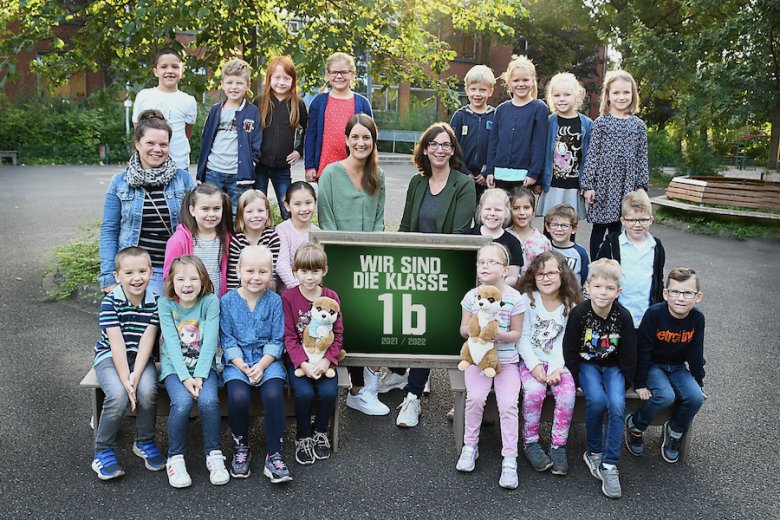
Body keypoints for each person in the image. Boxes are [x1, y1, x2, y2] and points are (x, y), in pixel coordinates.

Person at [394, 122, 477, 427]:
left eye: (446, 145)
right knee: (419, 334)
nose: (440, 150)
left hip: (449, 271)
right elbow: (405, 227)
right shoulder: (418, 183)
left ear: (453, 150)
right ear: (425, 149)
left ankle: (464, 397)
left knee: (439, 332)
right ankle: (413, 397)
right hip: (416, 269)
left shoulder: (464, 184)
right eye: (434, 144)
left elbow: (458, 235)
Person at [317, 113, 388, 415]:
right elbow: (326, 218)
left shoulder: (378, 176)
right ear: (346, 139)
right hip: (338, 260)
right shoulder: (331, 174)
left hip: (369, 260)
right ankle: (351, 386)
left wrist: (370, 256)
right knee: (341, 321)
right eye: (355, 136)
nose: (361, 142)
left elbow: (379, 220)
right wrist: (342, 258)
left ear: (373, 142)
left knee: (373, 319)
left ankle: (368, 387)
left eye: (366, 137)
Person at [563, 258, 637, 499]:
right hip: (588, 365)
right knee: (596, 400)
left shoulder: (623, 316)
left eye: (609, 288)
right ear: (587, 287)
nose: (602, 292)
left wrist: (626, 380)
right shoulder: (580, 313)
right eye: (598, 286)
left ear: (618, 292)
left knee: (616, 404)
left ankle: (610, 464)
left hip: (614, 366)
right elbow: (571, 347)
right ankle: (593, 451)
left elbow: (628, 351)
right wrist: (574, 378)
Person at [99, 109, 194, 296]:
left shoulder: (183, 180)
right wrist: (109, 278)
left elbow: (195, 229)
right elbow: (109, 230)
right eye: (150, 143)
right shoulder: (120, 182)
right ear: (137, 144)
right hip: (134, 270)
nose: (157, 149)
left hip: (173, 269)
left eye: (163, 145)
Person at [91, 247, 164, 480]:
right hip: (110, 357)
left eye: (142, 271)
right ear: (117, 276)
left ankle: (144, 441)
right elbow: (117, 344)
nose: (136, 278)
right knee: (118, 395)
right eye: (129, 273)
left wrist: (136, 375)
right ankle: (103, 451)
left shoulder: (155, 302)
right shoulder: (110, 303)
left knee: (147, 391)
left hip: (141, 358)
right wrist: (125, 380)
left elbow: (147, 342)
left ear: (151, 272)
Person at [455, 243, 524, 489]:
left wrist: (500, 336)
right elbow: (463, 329)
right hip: (477, 359)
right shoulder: (471, 297)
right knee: (475, 398)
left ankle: (509, 459)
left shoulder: (515, 298)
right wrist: (475, 329)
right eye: (481, 261)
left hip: (506, 362)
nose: (485, 266)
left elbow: (516, 333)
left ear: (505, 270)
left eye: (492, 262)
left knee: (508, 405)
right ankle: (470, 446)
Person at [220, 246, 291, 483]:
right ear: (238, 270)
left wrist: (261, 365)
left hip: (267, 360)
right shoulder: (227, 301)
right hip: (238, 362)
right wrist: (242, 366)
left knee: (272, 394)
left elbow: (277, 339)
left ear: (271, 274)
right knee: (238, 396)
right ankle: (241, 446)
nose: (256, 277)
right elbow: (228, 340)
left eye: (262, 272)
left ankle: (275, 453)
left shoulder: (275, 301)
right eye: (249, 271)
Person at [157, 255, 227, 488]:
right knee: (182, 403)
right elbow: (172, 346)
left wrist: (199, 375)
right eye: (181, 279)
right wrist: (186, 378)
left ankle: (214, 455)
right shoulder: (166, 304)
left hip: (204, 368)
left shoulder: (210, 302)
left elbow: (209, 343)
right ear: (171, 282)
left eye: (194, 278)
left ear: (203, 280)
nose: (188, 284)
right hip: (175, 369)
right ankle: (175, 458)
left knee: (208, 401)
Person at [625, 267, 705, 464]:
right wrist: (640, 382)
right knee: (665, 396)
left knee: (695, 398)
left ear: (698, 297)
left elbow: (696, 354)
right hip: (653, 364)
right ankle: (636, 425)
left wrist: (699, 382)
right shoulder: (654, 314)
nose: (681, 298)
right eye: (675, 292)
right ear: (665, 294)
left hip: (677, 366)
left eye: (688, 293)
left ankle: (675, 432)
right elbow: (643, 350)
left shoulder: (697, 318)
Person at [517, 251, 582, 476]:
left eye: (552, 272)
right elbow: (522, 337)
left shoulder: (570, 304)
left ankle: (558, 445)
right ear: (533, 276)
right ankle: (531, 442)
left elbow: (567, 340)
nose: (546, 277)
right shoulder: (527, 300)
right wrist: (534, 366)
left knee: (567, 394)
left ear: (562, 274)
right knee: (534, 392)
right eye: (540, 273)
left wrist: (556, 368)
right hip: (530, 362)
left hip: (558, 363)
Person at [282, 244, 344, 466]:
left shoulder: (331, 297)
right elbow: (289, 337)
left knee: (328, 392)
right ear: (295, 271)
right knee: (304, 393)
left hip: (325, 360)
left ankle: (320, 431)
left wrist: (328, 360)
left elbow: (338, 334)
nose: (309, 277)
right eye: (304, 271)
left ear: (324, 271)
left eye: (315, 271)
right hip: (299, 360)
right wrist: (303, 363)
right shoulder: (288, 297)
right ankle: (303, 436)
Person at [581, 70, 648, 259]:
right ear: (608, 96)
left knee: (619, 228)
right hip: (604, 183)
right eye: (616, 93)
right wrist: (588, 186)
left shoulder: (638, 125)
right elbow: (592, 155)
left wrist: (641, 186)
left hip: (627, 185)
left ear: (633, 95)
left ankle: (616, 268)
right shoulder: (601, 123)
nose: (621, 97)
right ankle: (595, 267)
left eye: (626, 92)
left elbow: (642, 157)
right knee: (599, 228)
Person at [197, 58, 262, 211]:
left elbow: (256, 143)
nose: (234, 87)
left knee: (236, 213)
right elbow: (206, 139)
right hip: (214, 171)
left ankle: (234, 236)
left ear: (247, 85)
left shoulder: (252, 111)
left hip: (239, 176)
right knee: (212, 210)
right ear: (223, 85)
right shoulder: (215, 110)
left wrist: (251, 164)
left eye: (239, 83)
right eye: (230, 82)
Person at [596, 190, 665, 329]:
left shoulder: (656, 247)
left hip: (646, 318)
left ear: (651, 220)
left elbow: (658, 279)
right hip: (615, 318)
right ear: (623, 220)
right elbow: (598, 280)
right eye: (632, 220)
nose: (637, 225)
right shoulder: (611, 245)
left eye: (643, 220)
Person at [304, 52, 372, 182]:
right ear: (327, 75)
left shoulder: (362, 104)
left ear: (352, 74)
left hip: (354, 171)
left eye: (344, 72)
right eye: (334, 72)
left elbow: (371, 139)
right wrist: (310, 166)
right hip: (324, 170)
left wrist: (369, 167)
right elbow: (311, 136)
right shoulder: (319, 102)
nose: (339, 76)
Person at [484, 56, 548, 192]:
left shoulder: (539, 108)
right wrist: (490, 170)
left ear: (532, 81)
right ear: (509, 83)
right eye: (516, 80)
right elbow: (493, 142)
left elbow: (539, 144)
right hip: (500, 174)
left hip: (524, 177)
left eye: (525, 80)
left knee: (521, 212)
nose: (521, 84)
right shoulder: (501, 109)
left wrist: (533, 172)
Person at [255, 56, 308, 220]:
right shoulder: (260, 102)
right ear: (269, 79)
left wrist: (299, 151)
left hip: (282, 168)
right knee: (257, 207)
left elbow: (308, 130)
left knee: (287, 209)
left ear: (293, 80)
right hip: (259, 167)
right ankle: (258, 241)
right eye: (277, 78)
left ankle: (290, 240)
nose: (281, 82)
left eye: (286, 78)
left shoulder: (297, 104)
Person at [537, 72, 592, 220]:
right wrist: (538, 180)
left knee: (570, 224)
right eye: (557, 95)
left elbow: (590, 158)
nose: (561, 99)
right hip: (552, 184)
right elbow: (541, 153)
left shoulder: (587, 124)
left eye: (567, 95)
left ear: (577, 96)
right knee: (551, 222)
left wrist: (587, 184)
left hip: (574, 185)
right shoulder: (548, 122)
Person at [132, 48, 197, 170]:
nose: (170, 71)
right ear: (156, 71)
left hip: (178, 164)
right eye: (164, 67)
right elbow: (138, 128)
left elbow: (187, 132)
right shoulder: (144, 96)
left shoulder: (188, 100)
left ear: (182, 70)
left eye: (175, 67)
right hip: (150, 165)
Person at [164, 184, 232, 296]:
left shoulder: (225, 237)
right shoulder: (179, 240)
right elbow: (169, 276)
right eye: (205, 209)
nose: (211, 214)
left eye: (217, 208)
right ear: (192, 210)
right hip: (189, 301)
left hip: (217, 298)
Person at [450, 64, 496, 201]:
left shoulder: (496, 116)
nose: (477, 94)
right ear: (466, 90)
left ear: (490, 91)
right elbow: (451, 147)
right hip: (461, 176)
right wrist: (464, 171)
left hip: (486, 179)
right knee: (461, 215)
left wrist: (487, 172)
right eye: (473, 89)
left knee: (482, 216)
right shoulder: (459, 116)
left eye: (482, 90)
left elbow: (498, 148)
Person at [226, 189, 280, 291]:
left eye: (260, 211)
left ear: (267, 214)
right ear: (241, 215)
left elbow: (272, 275)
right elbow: (233, 278)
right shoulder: (237, 241)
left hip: (267, 290)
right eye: (249, 211)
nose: (256, 215)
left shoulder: (272, 237)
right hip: (241, 292)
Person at [469, 188, 524, 288]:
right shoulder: (467, 236)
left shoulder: (513, 243)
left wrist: (491, 286)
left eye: (498, 210)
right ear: (480, 210)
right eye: (488, 209)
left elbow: (512, 277)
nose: (492, 213)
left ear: (507, 212)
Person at [275, 181, 320, 292]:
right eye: (297, 204)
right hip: (289, 291)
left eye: (308, 203)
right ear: (287, 205)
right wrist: (298, 289)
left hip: (313, 290)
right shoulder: (283, 230)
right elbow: (282, 265)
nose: (304, 209)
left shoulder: (318, 233)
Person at [506, 186, 551, 275]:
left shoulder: (543, 241)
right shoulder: (504, 236)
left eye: (526, 208)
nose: (522, 212)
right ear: (509, 211)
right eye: (516, 208)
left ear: (533, 210)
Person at [545, 204, 589, 287]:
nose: (559, 229)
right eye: (554, 225)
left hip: (573, 298)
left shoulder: (580, 253)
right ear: (547, 227)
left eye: (564, 225)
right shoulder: (544, 247)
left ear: (574, 229)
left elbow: (585, 280)